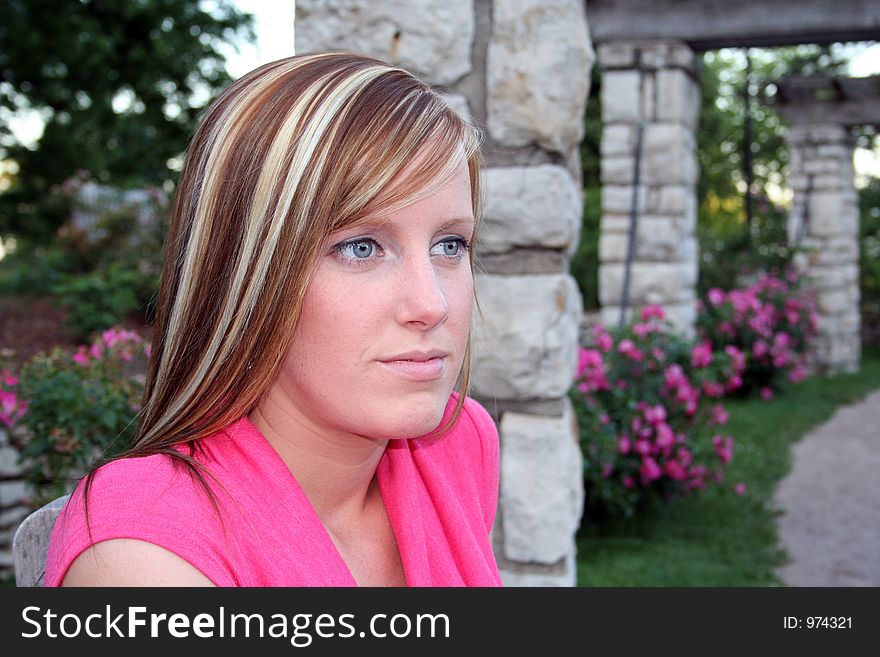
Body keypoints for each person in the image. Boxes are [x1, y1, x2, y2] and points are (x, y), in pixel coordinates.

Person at [44, 52, 502, 587]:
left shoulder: (457, 444)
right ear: (245, 274)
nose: (432, 304)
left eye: (450, 244)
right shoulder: (144, 559)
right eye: (360, 247)